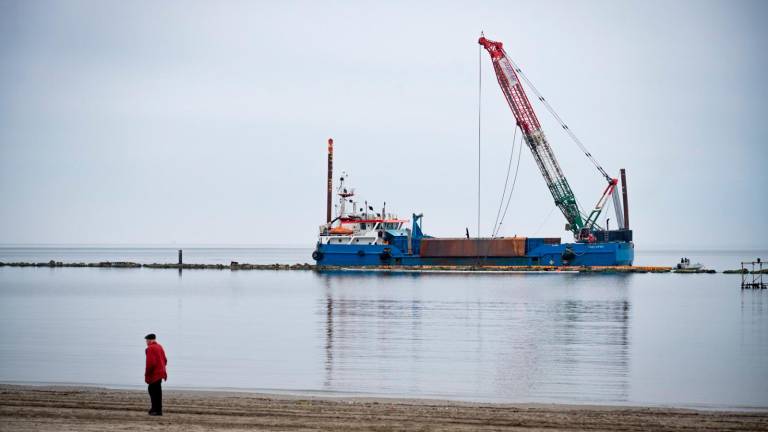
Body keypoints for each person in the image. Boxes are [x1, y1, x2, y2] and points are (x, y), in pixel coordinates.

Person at [144, 333, 168, 416]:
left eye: (147, 340)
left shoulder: (150, 348)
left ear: (150, 340)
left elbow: (150, 363)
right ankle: (158, 409)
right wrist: (162, 367)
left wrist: (147, 374)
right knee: (157, 391)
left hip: (155, 373)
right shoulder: (159, 346)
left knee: (152, 390)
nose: (146, 342)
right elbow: (165, 360)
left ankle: (155, 410)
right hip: (161, 372)